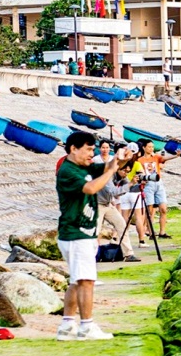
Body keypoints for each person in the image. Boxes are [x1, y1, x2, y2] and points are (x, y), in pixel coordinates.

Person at [56, 131, 134, 341]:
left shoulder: (84, 166)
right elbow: (90, 188)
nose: (93, 153)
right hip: (76, 233)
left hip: (83, 233)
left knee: (76, 280)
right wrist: (109, 174)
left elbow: (109, 167)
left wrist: (121, 159)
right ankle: (87, 326)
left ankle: (67, 325)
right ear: (73, 148)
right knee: (87, 280)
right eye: (89, 149)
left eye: (94, 149)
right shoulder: (67, 170)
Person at [94, 153, 138, 262]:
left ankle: (128, 254)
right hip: (97, 204)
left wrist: (139, 184)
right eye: (124, 171)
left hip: (108, 204)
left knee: (122, 224)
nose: (125, 174)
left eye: (128, 172)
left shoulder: (123, 177)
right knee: (95, 231)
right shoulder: (108, 175)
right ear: (118, 168)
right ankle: (91, 255)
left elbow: (129, 188)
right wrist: (130, 184)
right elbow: (114, 192)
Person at [137, 140, 179, 239]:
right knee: (150, 210)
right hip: (148, 184)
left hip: (158, 183)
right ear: (144, 148)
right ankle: (151, 232)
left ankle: (162, 232)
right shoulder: (140, 160)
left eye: (152, 147)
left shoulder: (155, 157)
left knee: (163, 208)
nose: (151, 149)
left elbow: (164, 158)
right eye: (149, 147)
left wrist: (176, 155)